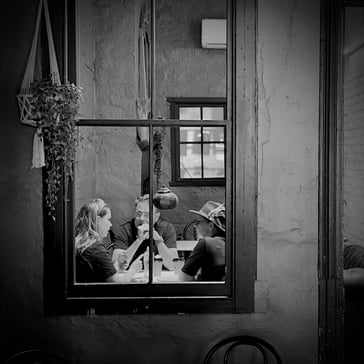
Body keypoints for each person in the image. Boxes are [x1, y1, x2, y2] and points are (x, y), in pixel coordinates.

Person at [75, 198, 142, 283]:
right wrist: (133, 270)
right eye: (108, 220)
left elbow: (102, 273)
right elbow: (117, 285)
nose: (110, 225)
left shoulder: (82, 243)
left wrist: (117, 266)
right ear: (98, 220)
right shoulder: (96, 250)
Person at [111, 194, 178, 271]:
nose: (142, 218)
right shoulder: (125, 230)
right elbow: (117, 266)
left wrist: (158, 241)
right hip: (130, 277)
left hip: (158, 277)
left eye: (147, 215)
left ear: (157, 217)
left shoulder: (166, 228)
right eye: (139, 214)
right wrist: (138, 240)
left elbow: (173, 266)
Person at [179, 201, 226, 282]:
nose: (195, 225)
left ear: (210, 225)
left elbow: (183, 281)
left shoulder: (206, 243)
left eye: (199, 222)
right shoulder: (231, 243)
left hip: (207, 293)